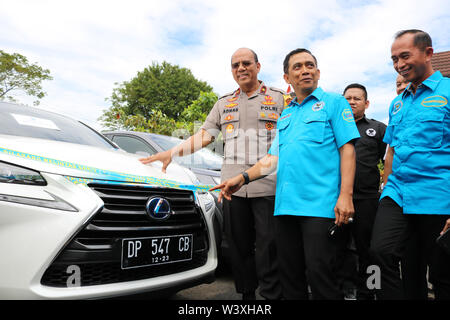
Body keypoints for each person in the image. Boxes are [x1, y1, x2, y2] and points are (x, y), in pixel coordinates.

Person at [211, 48, 360, 299]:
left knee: (320, 276)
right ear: (287, 78)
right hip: (284, 210)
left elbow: (347, 149)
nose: (305, 70)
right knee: (290, 278)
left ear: (318, 72)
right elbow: (271, 159)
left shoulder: (334, 103)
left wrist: (345, 195)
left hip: (320, 208)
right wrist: (242, 178)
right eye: (298, 67)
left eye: (310, 65)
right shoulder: (287, 114)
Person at [140, 48, 286, 300]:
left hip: (268, 186)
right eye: (235, 65)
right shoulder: (223, 102)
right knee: (239, 248)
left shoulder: (280, 99)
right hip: (230, 188)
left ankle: (272, 297)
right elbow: (205, 135)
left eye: (246, 63)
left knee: (269, 248)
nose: (241, 68)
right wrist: (173, 152)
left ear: (258, 66)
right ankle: (247, 297)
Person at [370, 29, 450, 300]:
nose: (399, 64)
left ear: (428, 53)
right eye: (394, 59)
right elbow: (390, 152)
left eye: (405, 56)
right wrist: (385, 189)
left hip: (438, 196)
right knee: (380, 252)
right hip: (397, 194)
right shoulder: (396, 104)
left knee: (440, 273)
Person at [335, 84, 387, 300]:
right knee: (340, 247)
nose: (351, 102)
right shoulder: (333, 127)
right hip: (337, 199)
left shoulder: (379, 128)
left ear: (366, 104)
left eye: (357, 98)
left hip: (368, 200)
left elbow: (390, 159)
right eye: (347, 98)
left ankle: (370, 290)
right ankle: (346, 289)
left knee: (370, 250)